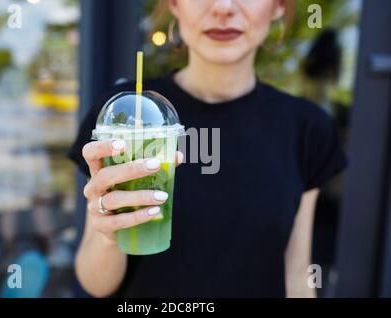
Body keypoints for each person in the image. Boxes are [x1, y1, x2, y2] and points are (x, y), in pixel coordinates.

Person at [68, 0, 348, 298]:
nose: (224, 7)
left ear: (278, 6)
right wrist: (109, 236)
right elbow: (96, 285)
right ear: (175, 5)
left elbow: (296, 276)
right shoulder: (125, 116)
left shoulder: (306, 128)